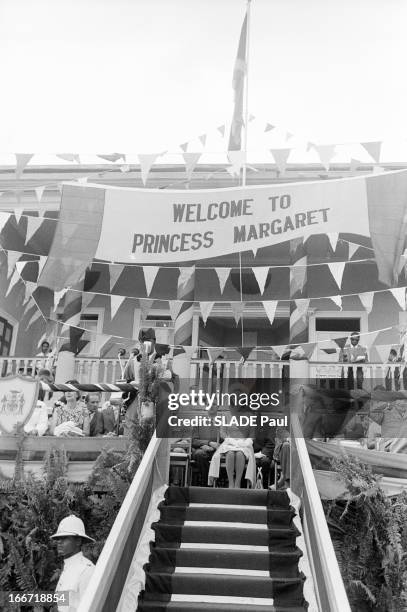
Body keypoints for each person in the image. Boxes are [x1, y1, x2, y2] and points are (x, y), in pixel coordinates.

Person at [51, 515, 95, 612]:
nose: (59, 542)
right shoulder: (67, 567)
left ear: (78, 541)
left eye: (64, 538)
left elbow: (91, 607)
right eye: (58, 538)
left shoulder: (87, 570)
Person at [208, 400, 256, 488]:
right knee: (230, 453)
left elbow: (252, 435)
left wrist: (245, 442)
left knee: (240, 454)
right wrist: (231, 441)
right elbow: (223, 432)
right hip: (229, 442)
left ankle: (237, 483)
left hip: (244, 444)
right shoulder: (226, 415)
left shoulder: (250, 416)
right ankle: (231, 482)